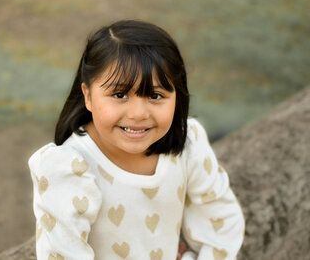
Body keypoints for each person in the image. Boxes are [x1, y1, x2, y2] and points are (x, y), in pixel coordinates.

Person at [28, 19, 245, 260]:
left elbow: (222, 222)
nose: (138, 114)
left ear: (177, 96)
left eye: (155, 95)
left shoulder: (187, 144)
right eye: (119, 94)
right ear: (88, 95)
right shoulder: (68, 170)